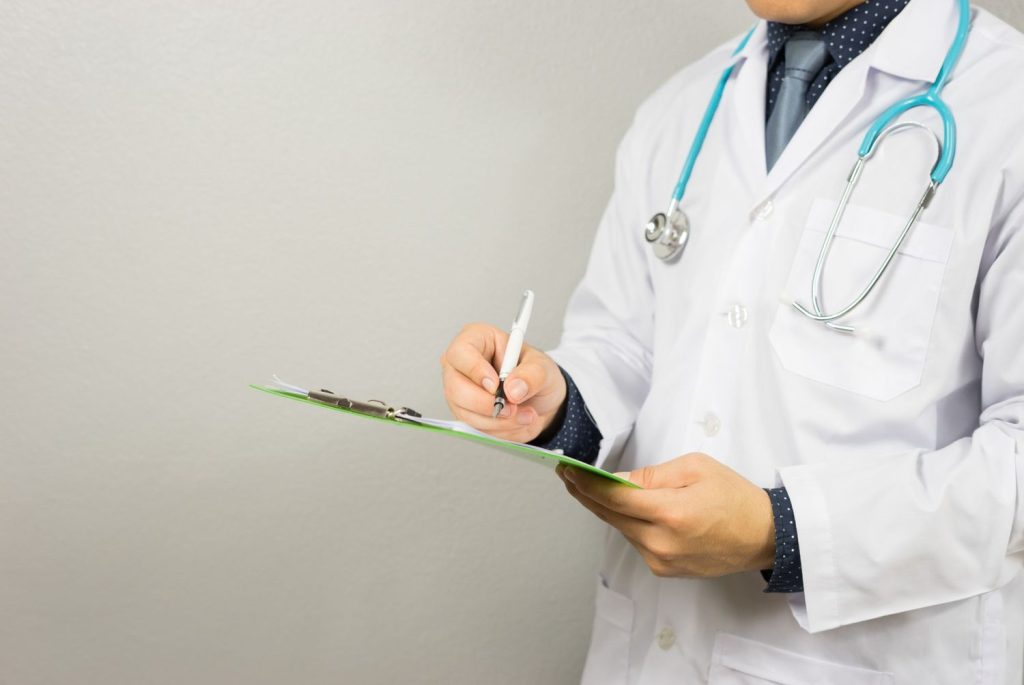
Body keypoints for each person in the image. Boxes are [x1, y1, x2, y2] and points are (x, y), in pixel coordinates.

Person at [440, 0, 1024, 682]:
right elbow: (624, 344)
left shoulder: (1005, 108)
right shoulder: (683, 107)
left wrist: (783, 529)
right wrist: (555, 400)